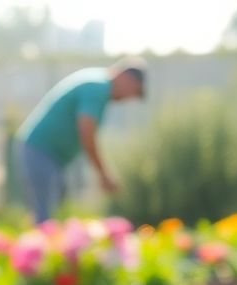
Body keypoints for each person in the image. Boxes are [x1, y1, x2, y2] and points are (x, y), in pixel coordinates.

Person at [15, 58, 146, 223]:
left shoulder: (97, 81)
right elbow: (86, 132)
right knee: (45, 213)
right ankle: (37, 246)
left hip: (48, 154)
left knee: (52, 208)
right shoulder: (98, 88)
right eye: (134, 90)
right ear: (124, 76)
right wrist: (103, 173)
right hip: (40, 149)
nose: (128, 97)